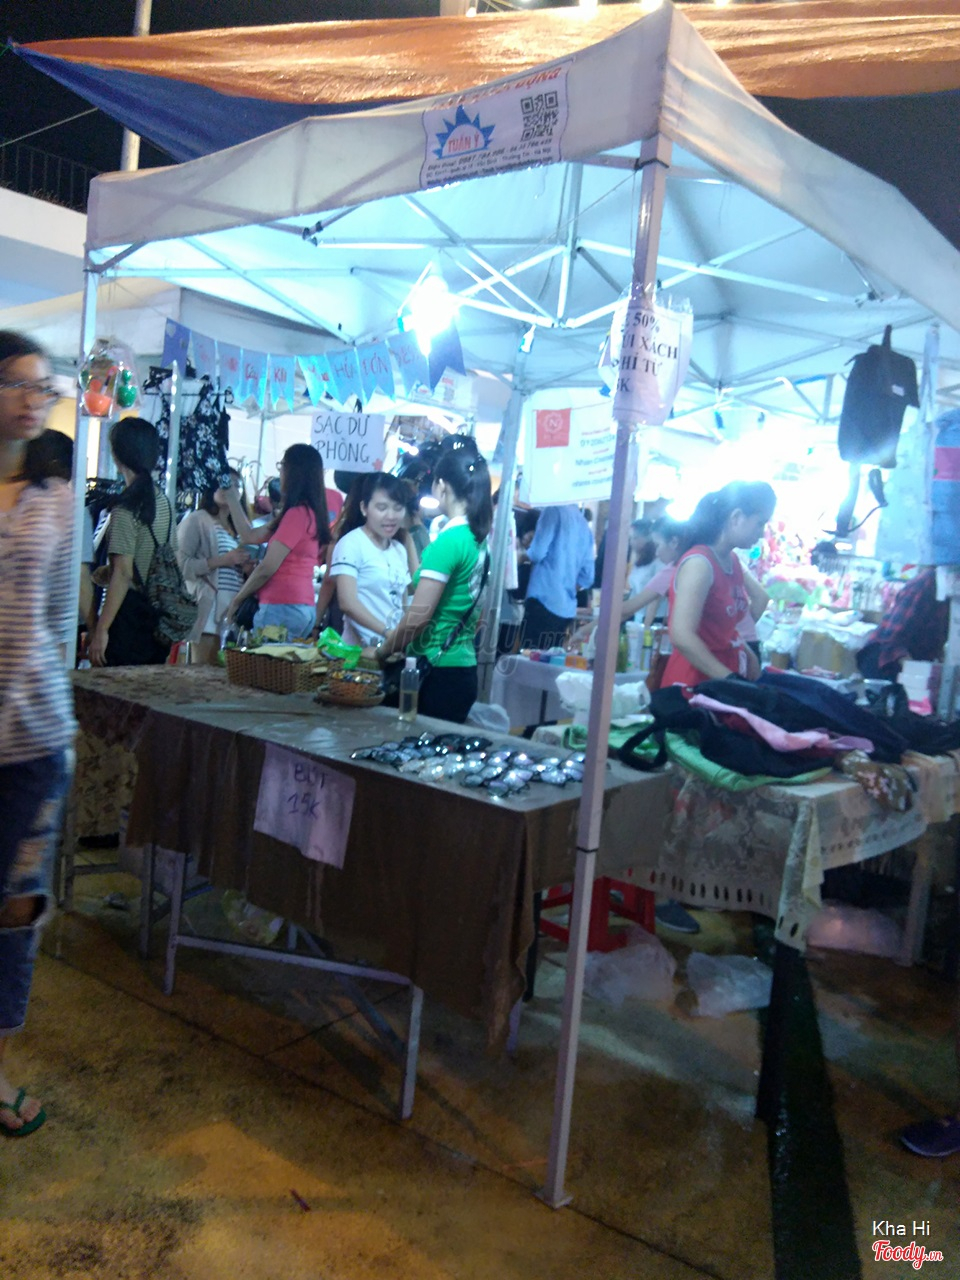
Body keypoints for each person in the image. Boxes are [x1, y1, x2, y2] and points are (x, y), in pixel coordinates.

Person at [0, 330, 76, 1136]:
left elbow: (59, 617)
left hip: (35, 740)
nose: (33, 400)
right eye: (18, 384)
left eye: (43, 387)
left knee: (15, 908)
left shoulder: (57, 500)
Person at [372, 441, 492, 724]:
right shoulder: (479, 542)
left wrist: (383, 651)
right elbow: (477, 618)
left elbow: (416, 620)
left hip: (434, 673)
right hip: (463, 668)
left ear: (441, 486)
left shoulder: (449, 541)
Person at [661, 481, 776, 687]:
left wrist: (746, 651)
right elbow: (681, 635)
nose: (761, 533)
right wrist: (731, 680)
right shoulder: (700, 563)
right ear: (736, 517)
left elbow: (724, 627)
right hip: (693, 683)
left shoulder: (732, 561)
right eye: (760, 523)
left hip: (720, 678)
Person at [221, 442, 331, 638]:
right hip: (301, 607)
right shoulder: (308, 513)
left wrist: (238, 599)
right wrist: (231, 497)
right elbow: (249, 535)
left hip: (282, 606)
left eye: (282, 466)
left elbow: (267, 567)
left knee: (266, 658)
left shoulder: (296, 515)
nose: (280, 473)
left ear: (294, 472)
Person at [89, 416, 175, 667]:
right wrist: (111, 571)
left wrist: (101, 629)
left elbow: (124, 574)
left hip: (129, 617)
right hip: (158, 616)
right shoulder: (164, 502)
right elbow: (164, 558)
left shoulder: (125, 508)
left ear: (117, 456)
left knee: (114, 686)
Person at [328, 472, 417, 647]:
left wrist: (402, 636)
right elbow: (347, 602)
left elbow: (402, 601)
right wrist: (388, 633)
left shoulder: (399, 549)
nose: (391, 516)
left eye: (398, 508)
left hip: (392, 649)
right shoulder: (351, 543)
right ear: (364, 508)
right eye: (382, 508)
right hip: (360, 652)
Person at [22, 428, 96, 634]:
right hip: (52, 626)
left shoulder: (15, 502)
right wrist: (94, 627)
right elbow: (80, 576)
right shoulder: (69, 508)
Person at [177, 470, 253, 661]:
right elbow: (181, 565)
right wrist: (223, 560)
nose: (229, 489)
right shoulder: (197, 519)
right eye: (224, 483)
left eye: (236, 485)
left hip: (233, 613)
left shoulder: (242, 530)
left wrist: (247, 570)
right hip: (209, 610)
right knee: (203, 669)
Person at [519, 503, 595, 650]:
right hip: (565, 609)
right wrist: (565, 586)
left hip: (542, 601)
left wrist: (521, 556)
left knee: (530, 657)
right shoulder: (584, 526)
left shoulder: (552, 510)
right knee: (551, 658)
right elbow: (587, 576)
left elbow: (537, 553)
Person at [856, 566, 948, 682]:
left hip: (914, 661)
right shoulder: (928, 582)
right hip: (885, 660)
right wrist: (918, 676)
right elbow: (892, 639)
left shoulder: (950, 591)